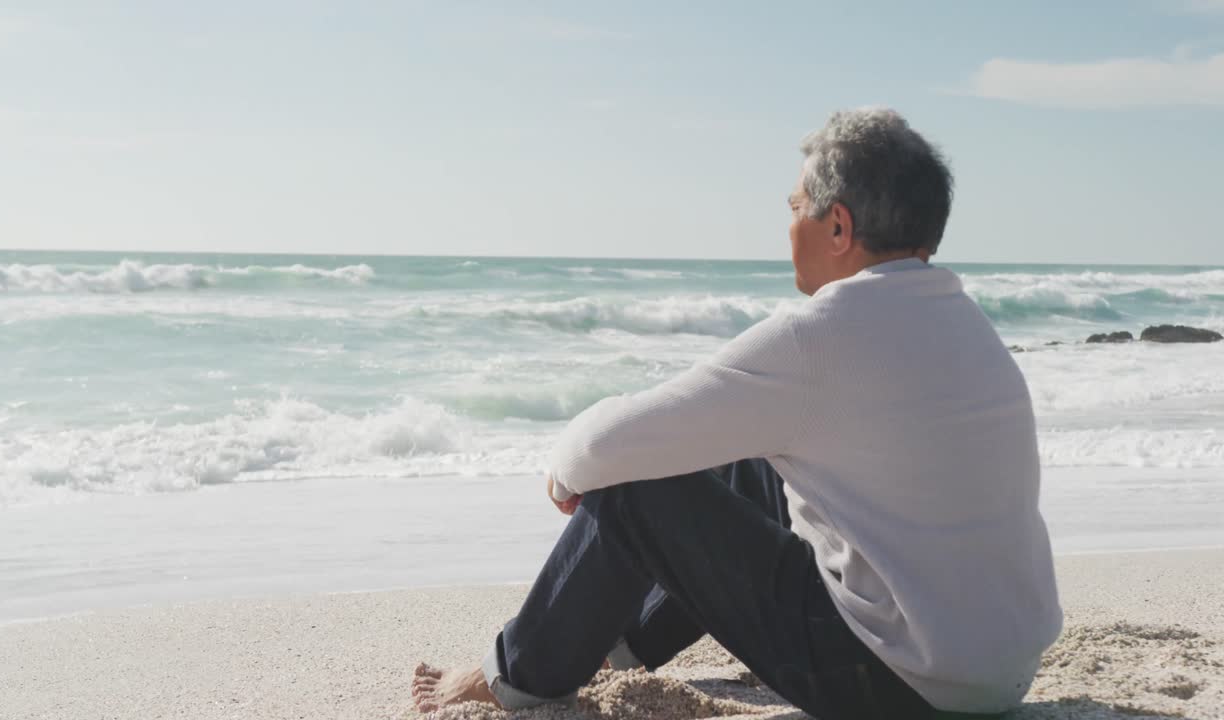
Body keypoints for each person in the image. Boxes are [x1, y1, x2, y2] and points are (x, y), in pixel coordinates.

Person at [411, 108, 1062, 719]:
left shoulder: (824, 332)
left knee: (635, 486)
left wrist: (563, 474)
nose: (787, 226)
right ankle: (623, 644)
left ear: (838, 227)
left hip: (899, 685)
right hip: (1000, 673)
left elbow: (607, 446)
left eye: (796, 208)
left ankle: (515, 675)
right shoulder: (968, 323)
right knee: (751, 461)